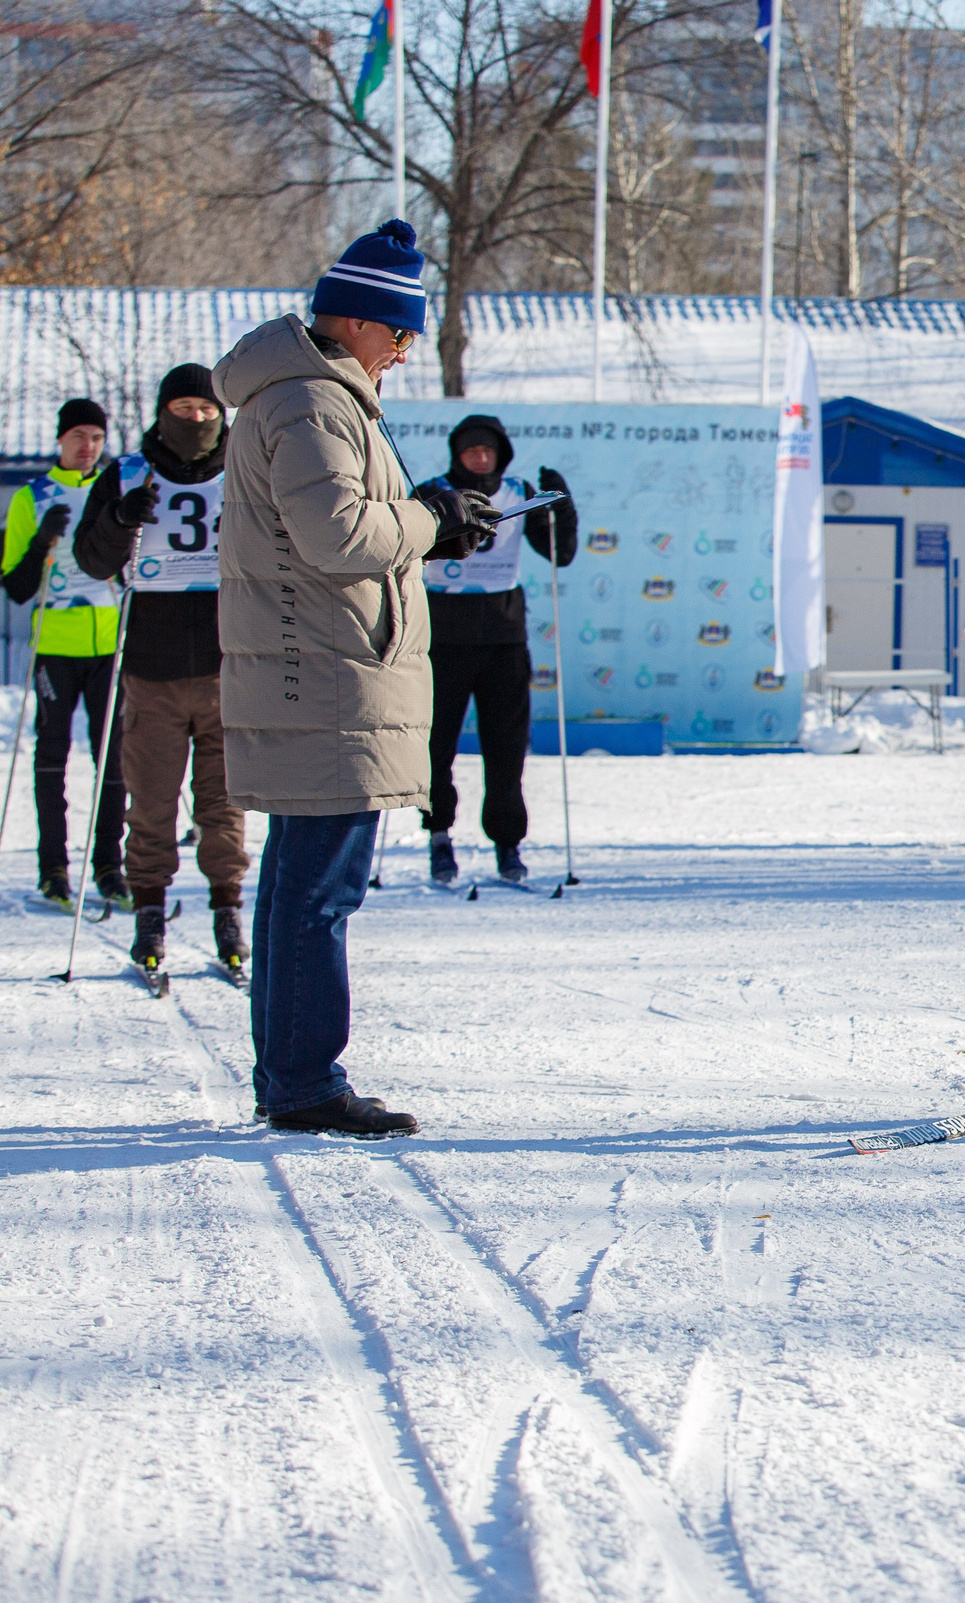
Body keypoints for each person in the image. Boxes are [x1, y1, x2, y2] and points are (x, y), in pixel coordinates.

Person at [215, 218, 500, 1137]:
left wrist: (431, 518)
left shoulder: (315, 395)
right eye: (399, 332)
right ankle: (302, 1081)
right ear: (353, 321)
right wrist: (428, 516)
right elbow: (342, 538)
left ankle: (288, 1073)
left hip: (322, 674)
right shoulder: (308, 403)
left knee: (300, 884)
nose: (406, 351)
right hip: (327, 679)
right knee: (318, 891)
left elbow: (350, 526)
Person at [70, 364, 253, 976]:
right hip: (151, 668)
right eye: (183, 408)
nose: (196, 419)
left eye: (206, 410)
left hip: (229, 666)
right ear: (161, 410)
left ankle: (227, 907)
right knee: (149, 803)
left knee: (224, 805)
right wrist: (120, 521)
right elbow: (91, 561)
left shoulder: (246, 465)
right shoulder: (128, 472)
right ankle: (149, 909)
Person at [415, 415, 578, 886]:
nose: (480, 459)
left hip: (503, 637)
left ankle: (508, 843)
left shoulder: (517, 490)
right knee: (435, 746)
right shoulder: (432, 490)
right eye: (471, 452)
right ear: (457, 455)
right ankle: (438, 836)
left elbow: (559, 553)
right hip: (442, 635)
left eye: (488, 451)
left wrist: (561, 508)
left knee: (506, 749)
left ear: (501, 455)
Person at [2, 398, 122, 912]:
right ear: (60, 440)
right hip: (54, 645)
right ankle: (54, 869)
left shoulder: (114, 489)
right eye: (77, 436)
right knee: (51, 760)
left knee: (113, 762)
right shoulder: (32, 497)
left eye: (95, 437)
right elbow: (17, 587)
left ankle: (111, 870)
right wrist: (42, 539)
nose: (87, 446)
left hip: (110, 644)